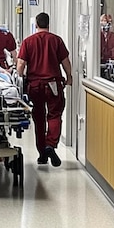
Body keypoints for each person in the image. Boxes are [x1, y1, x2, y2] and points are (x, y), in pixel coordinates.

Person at [16, 12, 72, 167]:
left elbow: (20, 65)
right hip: (53, 84)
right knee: (54, 115)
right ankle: (50, 145)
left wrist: (18, 82)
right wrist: (69, 76)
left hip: (35, 86)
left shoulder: (28, 41)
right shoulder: (56, 40)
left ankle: (42, 155)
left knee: (39, 119)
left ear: (36, 24)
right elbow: (65, 61)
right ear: (49, 24)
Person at [100, 13, 114, 83]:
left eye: (109, 22)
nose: (106, 25)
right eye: (103, 21)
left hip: (110, 65)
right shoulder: (98, 36)